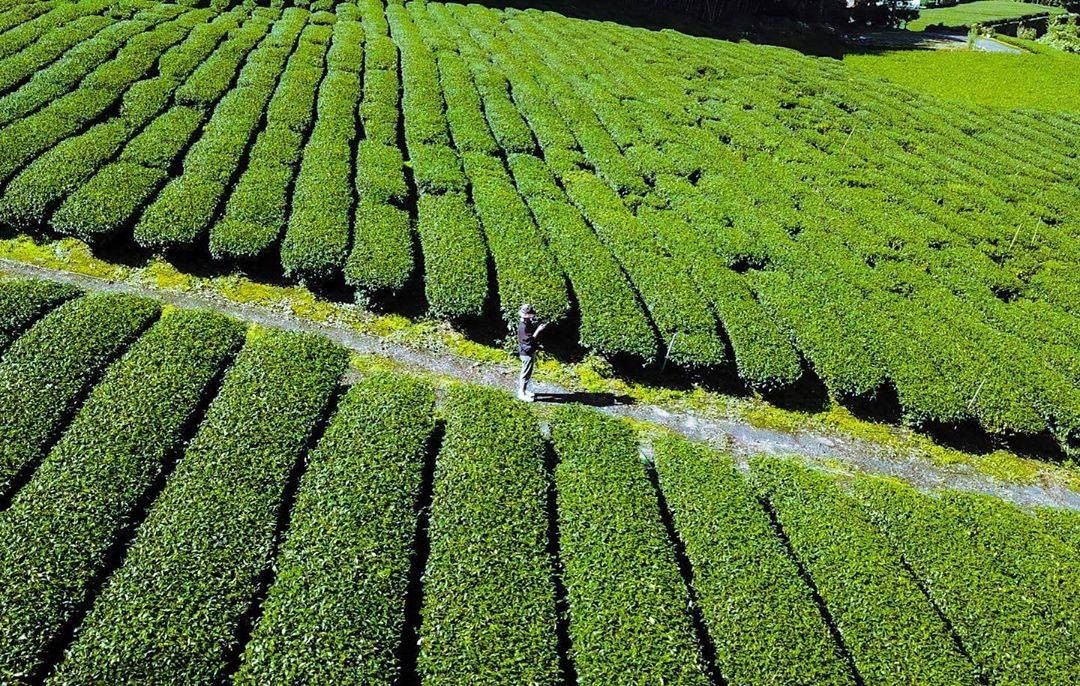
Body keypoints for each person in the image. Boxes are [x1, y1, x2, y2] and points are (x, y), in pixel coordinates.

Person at [517, 303, 547, 402]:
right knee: (525, 373)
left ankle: (524, 390)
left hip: (529, 351)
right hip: (526, 353)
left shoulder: (526, 322)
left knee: (528, 373)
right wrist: (538, 330)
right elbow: (530, 340)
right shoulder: (523, 327)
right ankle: (521, 393)